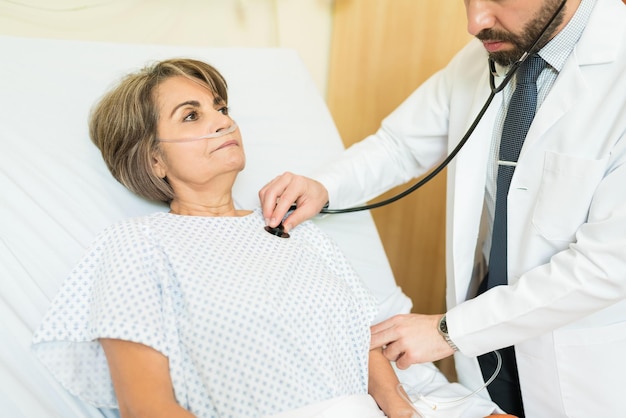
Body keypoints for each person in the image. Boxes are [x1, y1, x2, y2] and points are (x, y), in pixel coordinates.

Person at [259, 0, 626, 416]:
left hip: (584, 365)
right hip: (489, 352)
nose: (475, 22)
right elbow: (398, 146)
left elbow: (607, 265)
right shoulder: (490, 53)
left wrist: (449, 331)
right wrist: (325, 184)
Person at [31, 58, 420, 418]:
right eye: (190, 116)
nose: (222, 122)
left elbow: (363, 340)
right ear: (154, 160)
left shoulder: (293, 229)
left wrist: (405, 412)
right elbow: (146, 408)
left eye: (221, 109)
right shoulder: (138, 244)